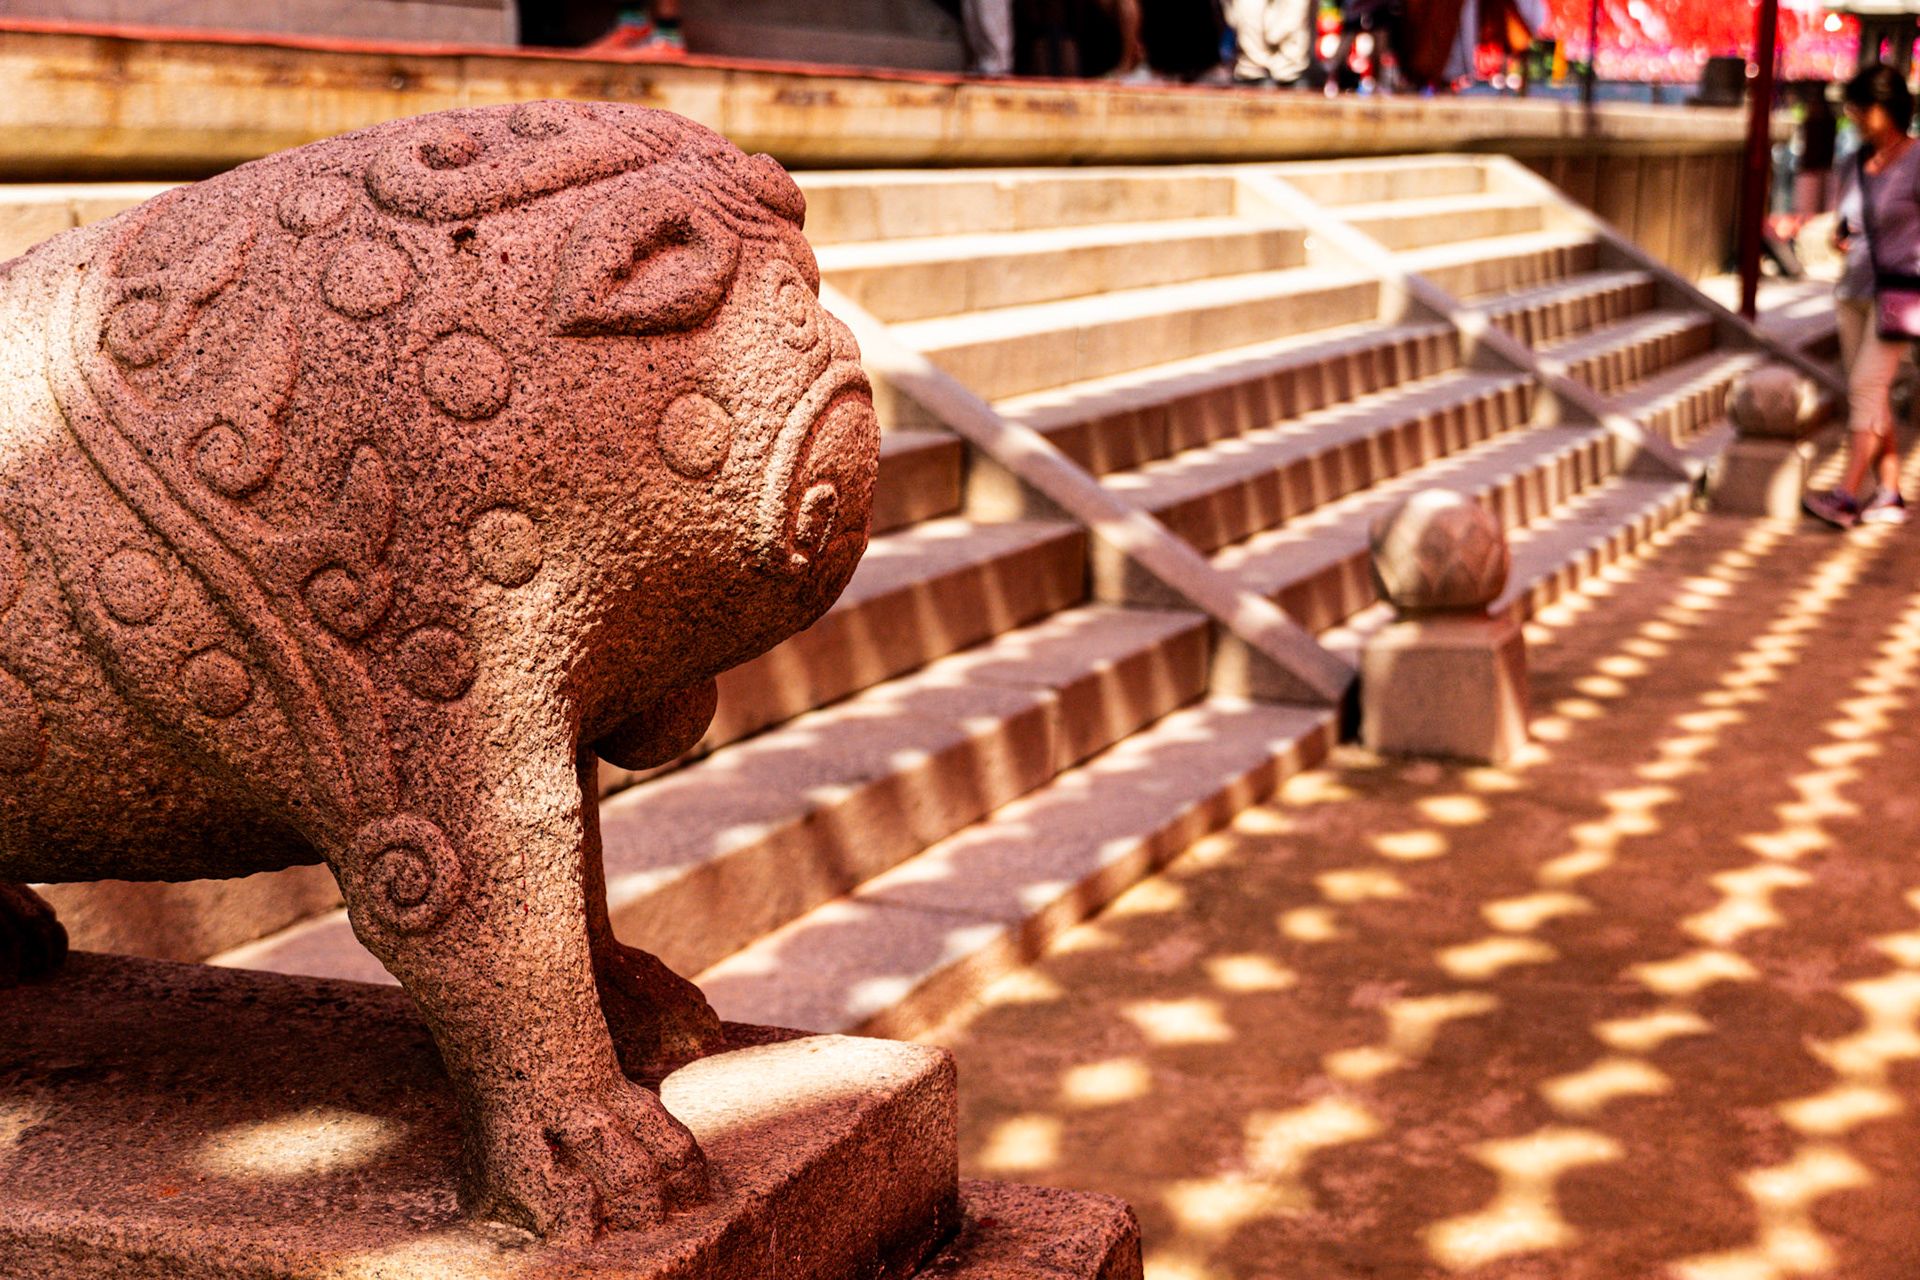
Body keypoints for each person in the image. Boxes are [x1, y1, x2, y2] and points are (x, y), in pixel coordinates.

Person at [1805, 64, 1920, 528]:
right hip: (1851, 288)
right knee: (1871, 396)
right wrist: (1840, 238)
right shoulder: (1852, 161)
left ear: (1886, 107)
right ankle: (1889, 491)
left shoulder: (1916, 158)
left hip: (1898, 295)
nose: (1853, 115)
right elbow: (1845, 219)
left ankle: (1845, 495)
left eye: (1861, 107)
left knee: (1864, 390)